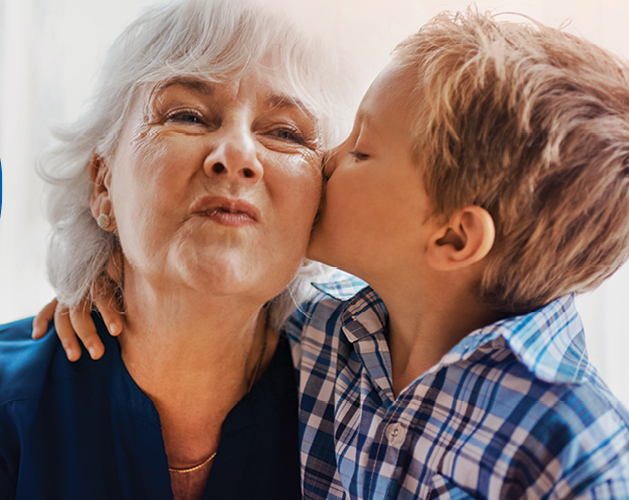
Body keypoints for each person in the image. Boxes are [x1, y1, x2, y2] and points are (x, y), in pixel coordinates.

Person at [42, 8, 629, 499]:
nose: (324, 160)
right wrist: (107, 276)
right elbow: (205, 303)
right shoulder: (329, 331)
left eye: (361, 150)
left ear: (453, 238)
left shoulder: (578, 449)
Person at [0, 1, 354, 499]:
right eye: (188, 115)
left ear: (318, 208)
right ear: (103, 184)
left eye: (285, 133)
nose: (237, 155)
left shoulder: (359, 404)